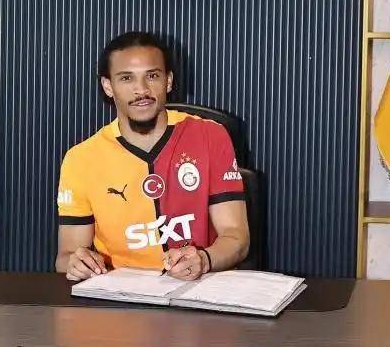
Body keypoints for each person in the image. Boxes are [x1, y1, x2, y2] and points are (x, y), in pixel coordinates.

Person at [55, 31, 250, 281]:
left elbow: (237, 238)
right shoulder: (81, 159)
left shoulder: (210, 136)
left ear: (168, 81)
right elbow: (66, 256)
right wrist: (76, 264)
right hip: (120, 296)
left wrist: (204, 259)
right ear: (108, 86)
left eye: (152, 76)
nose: (141, 90)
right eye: (126, 78)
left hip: (200, 288)